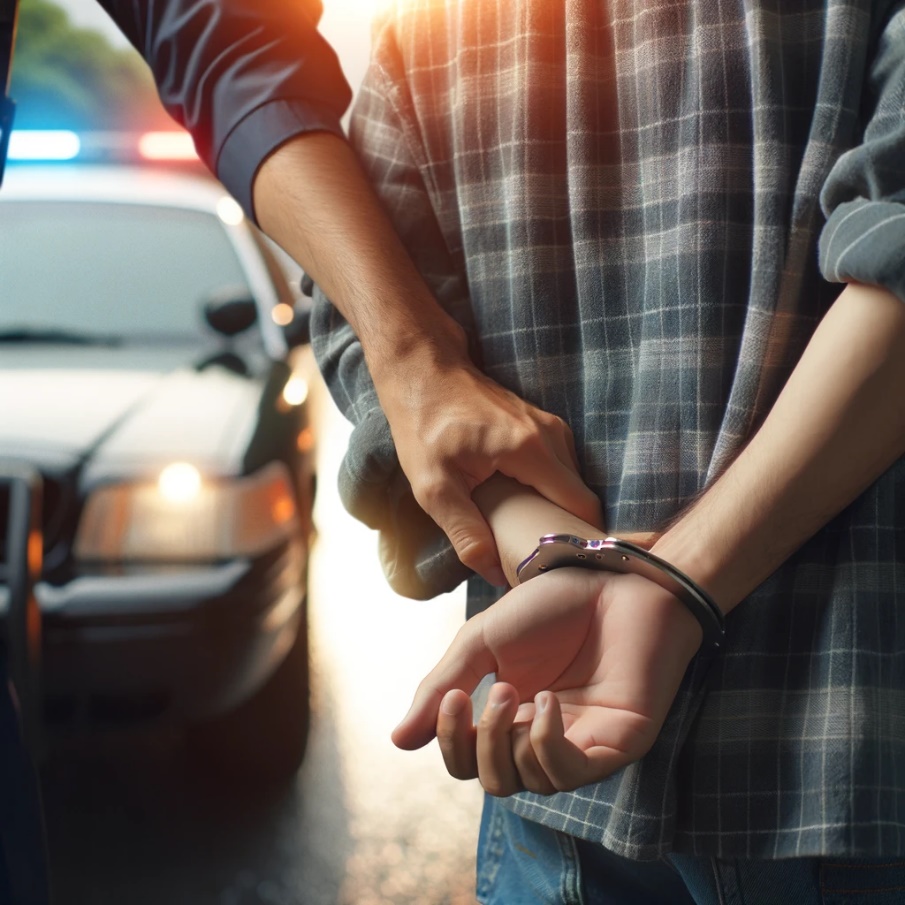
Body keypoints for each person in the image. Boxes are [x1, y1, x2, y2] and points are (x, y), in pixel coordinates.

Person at [307, 1, 905, 902]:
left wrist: (552, 554)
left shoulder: (426, 33)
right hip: (843, 760)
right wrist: (651, 582)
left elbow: (369, 327)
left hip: (564, 781)